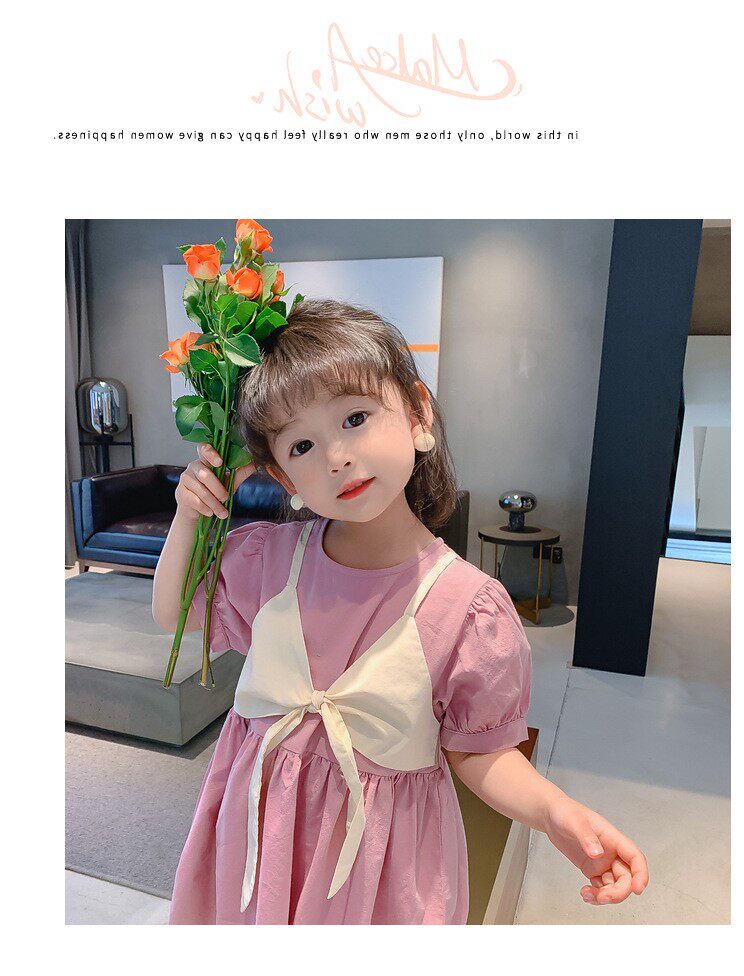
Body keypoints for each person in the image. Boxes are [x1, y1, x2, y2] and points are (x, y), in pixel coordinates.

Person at [153, 298, 648, 924]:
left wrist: (556, 812)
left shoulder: (467, 608)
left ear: (417, 412)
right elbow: (176, 615)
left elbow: (481, 751)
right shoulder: (268, 560)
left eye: (356, 418)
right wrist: (189, 514)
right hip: (256, 838)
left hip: (380, 867)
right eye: (302, 444)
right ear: (283, 477)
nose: (336, 457)